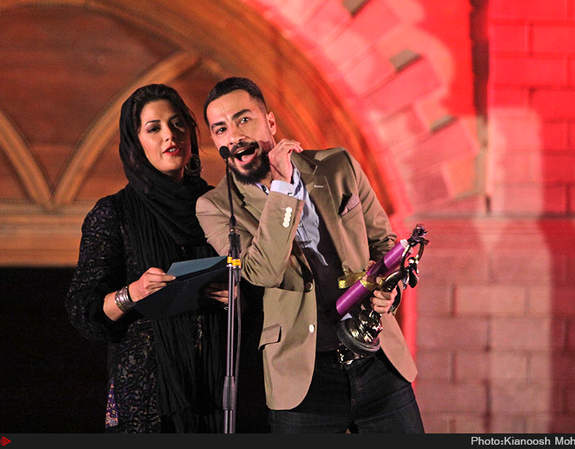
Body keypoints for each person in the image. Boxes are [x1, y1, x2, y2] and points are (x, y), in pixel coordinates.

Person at [195, 77, 425, 433]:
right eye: (221, 129)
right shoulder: (215, 207)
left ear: (270, 122)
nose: (234, 136)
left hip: (378, 360)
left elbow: (384, 244)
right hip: (302, 377)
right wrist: (284, 188)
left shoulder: (338, 165)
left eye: (244, 120)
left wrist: (388, 291)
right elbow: (263, 272)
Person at [65, 83, 229, 433]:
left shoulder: (219, 206)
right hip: (147, 401)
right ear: (135, 143)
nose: (170, 135)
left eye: (178, 123)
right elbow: (83, 312)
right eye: (154, 128)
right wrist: (133, 293)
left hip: (216, 390)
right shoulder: (114, 213)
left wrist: (235, 297)